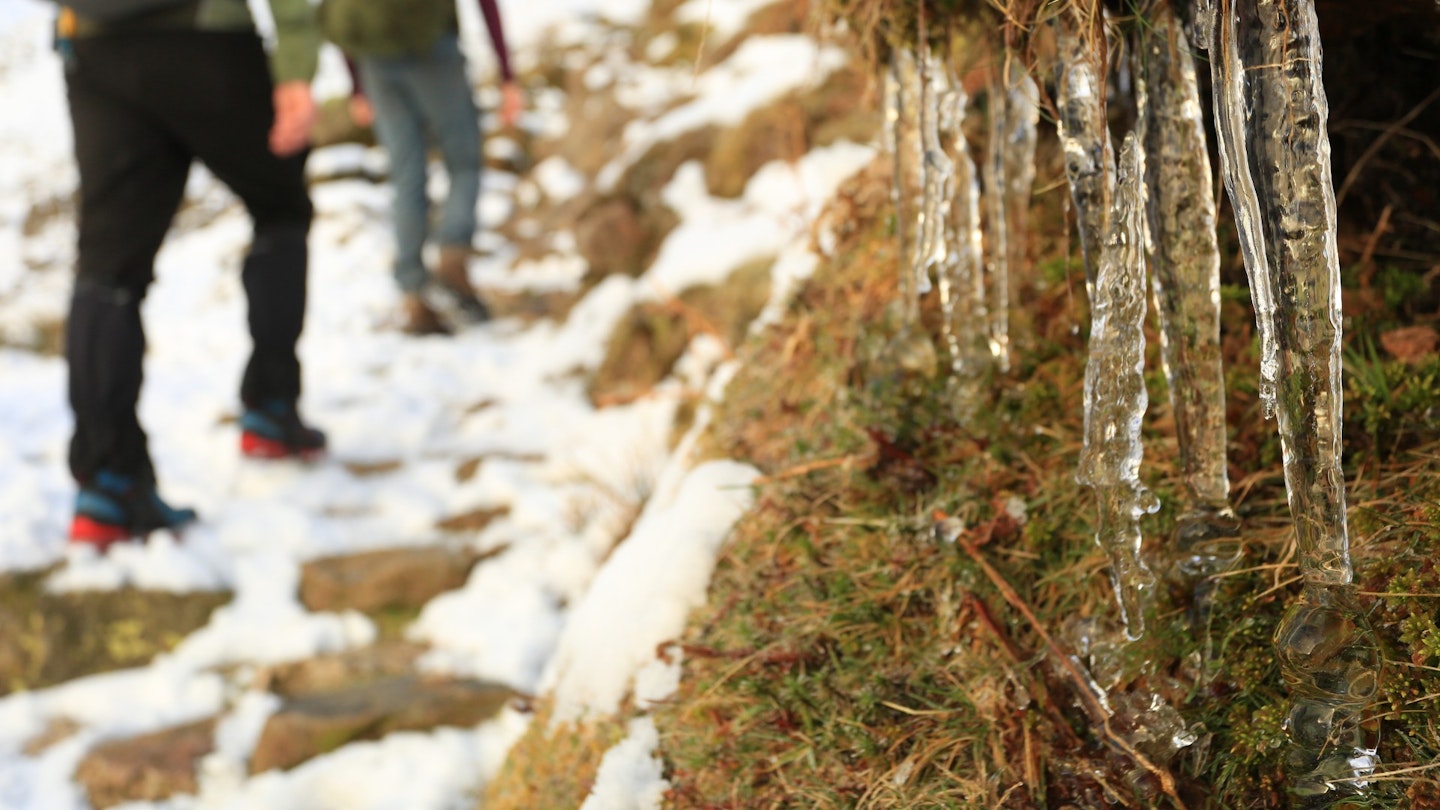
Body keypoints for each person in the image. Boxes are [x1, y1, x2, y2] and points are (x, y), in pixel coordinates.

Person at [55, 0, 327, 547]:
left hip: (93, 46)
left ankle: (107, 484)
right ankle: (272, 409)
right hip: (207, 39)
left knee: (107, 270)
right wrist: (296, 63)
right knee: (280, 209)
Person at [336, 0, 523, 335]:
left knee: (406, 176)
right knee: (463, 161)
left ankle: (412, 294)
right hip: (434, 51)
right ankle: (453, 254)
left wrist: (356, 83)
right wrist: (507, 72)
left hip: (375, 62)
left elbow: (339, 12)